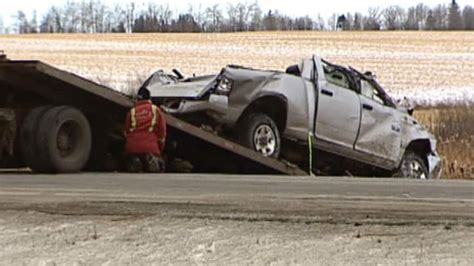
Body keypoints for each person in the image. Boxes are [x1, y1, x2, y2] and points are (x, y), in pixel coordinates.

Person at [124, 88, 166, 173]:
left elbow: (127, 131)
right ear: (149, 98)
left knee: (132, 155)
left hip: (133, 147)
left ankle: (135, 161)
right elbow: (162, 132)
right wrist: (159, 150)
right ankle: (151, 160)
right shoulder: (155, 110)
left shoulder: (132, 111)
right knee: (160, 164)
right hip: (150, 147)